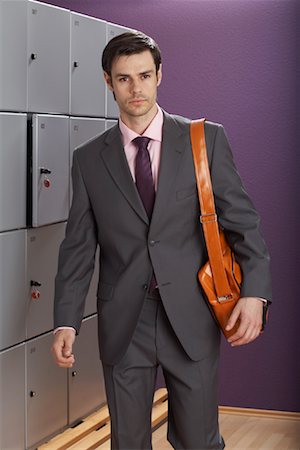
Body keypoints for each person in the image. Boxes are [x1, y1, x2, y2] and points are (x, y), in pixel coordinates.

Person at [52, 31, 272, 450]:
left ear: (159, 76)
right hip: (123, 323)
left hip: (192, 316)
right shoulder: (87, 159)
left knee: (199, 442)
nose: (136, 88)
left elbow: (245, 224)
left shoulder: (205, 141)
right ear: (107, 81)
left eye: (144, 75)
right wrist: (66, 319)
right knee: (128, 443)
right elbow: (78, 248)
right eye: (123, 79)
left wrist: (256, 294)